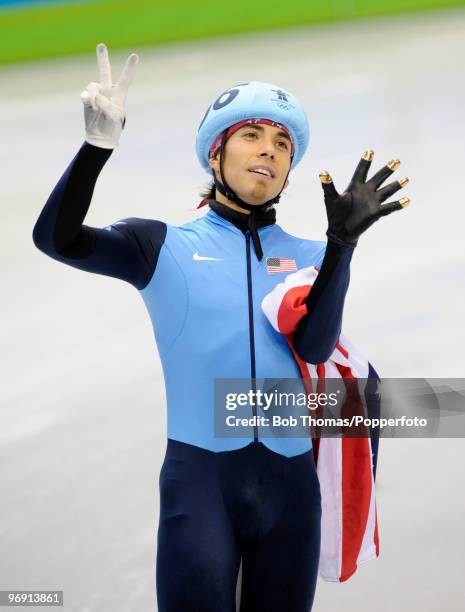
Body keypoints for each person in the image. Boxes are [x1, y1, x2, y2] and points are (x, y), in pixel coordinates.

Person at [32, 43, 410, 612]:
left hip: (291, 492)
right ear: (216, 156)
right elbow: (55, 240)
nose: (270, 150)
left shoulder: (312, 253)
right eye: (252, 135)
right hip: (200, 484)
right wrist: (95, 149)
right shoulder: (159, 246)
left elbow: (315, 344)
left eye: (284, 143)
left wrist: (341, 246)